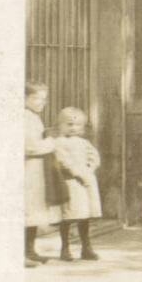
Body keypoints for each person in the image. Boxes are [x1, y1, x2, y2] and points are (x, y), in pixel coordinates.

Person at [53, 107, 102, 261]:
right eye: (69, 124)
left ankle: (86, 247)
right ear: (60, 125)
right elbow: (63, 160)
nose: (73, 128)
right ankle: (65, 248)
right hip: (70, 182)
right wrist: (78, 173)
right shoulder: (58, 142)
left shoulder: (84, 142)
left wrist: (90, 168)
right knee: (67, 215)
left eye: (77, 125)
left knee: (84, 215)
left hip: (84, 183)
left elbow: (93, 156)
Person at [25, 82, 63, 267]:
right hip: (26, 169)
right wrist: (50, 142)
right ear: (24, 98)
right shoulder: (24, 117)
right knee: (26, 210)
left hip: (35, 170)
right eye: (36, 98)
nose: (41, 102)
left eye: (43, 99)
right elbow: (29, 147)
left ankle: (30, 251)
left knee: (33, 211)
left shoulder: (34, 117)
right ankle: (23, 253)